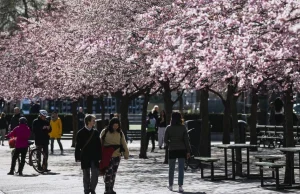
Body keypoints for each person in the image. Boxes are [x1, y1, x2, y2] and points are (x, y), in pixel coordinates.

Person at [100, 117, 129, 194]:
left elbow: (124, 143)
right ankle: (107, 189)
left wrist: (126, 153)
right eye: (114, 126)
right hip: (107, 156)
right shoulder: (105, 131)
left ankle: (111, 188)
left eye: (117, 126)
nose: (116, 127)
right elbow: (100, 143)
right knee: (108, 172)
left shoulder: (120, 133)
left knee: (114, 173)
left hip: (117, 156)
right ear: (111, 125)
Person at [164, 112, 191, 193]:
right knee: (181, 168)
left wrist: (170, 144)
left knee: (171, 168)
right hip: (182, 149)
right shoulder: (183, 128)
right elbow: (187, 140)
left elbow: (165, 140)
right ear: (180, 118)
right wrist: (188, 151)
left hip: (172, 149)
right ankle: (180, 186)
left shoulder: (168, 128)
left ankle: (171, 185)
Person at [75, 114, 102, 194]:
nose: (95, 122)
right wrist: (77, 157)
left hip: (94, 156)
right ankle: (86, 190)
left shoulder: (96, 132)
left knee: (95, 173)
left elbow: (99, 146)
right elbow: (77, 146)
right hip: (85, 156)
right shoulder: (80, 133)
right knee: (86, 174)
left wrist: (100, 156)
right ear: (88, 121)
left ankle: (92, 188)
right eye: (93, 120)